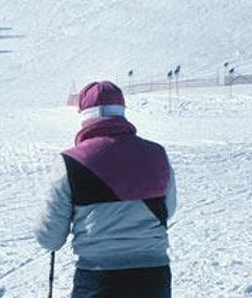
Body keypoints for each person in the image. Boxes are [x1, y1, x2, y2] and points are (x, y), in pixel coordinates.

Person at [35, 81, 177, 298]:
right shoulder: (157, 154)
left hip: (98, 279)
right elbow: (169, 208)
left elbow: (50, 237)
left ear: (84, 116)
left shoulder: (70, 162)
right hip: (153, 278)